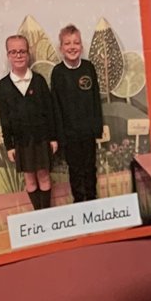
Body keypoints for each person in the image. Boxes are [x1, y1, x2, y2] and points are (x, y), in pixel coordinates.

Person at [0, 33, 59, 209]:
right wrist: (9, 146)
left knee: (44, 177)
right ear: (8, 55)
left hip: (41, 139)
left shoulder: (38, 81)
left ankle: (47, 215)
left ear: (28, 53)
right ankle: (38, 216)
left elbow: (49, 112)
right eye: (13, 52)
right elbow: (4, 118)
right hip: (22, 142)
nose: (18, 55)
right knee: (30, 180)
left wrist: (53, 138)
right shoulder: (3, 86)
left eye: (22, 51)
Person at [49, 24, 106, 206]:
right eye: (67, 43)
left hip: (88, 131)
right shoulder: (58, 73)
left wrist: (97, 127)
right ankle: (80, 202)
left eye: (76, 43)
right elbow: (55, 106)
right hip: (70, 133)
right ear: (61, 48)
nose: (72, 47)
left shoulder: (88, 68)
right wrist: (60, 135)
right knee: (75, 169)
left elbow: (96, 99)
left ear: (81, 46)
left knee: (90, 168)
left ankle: (92, 199)